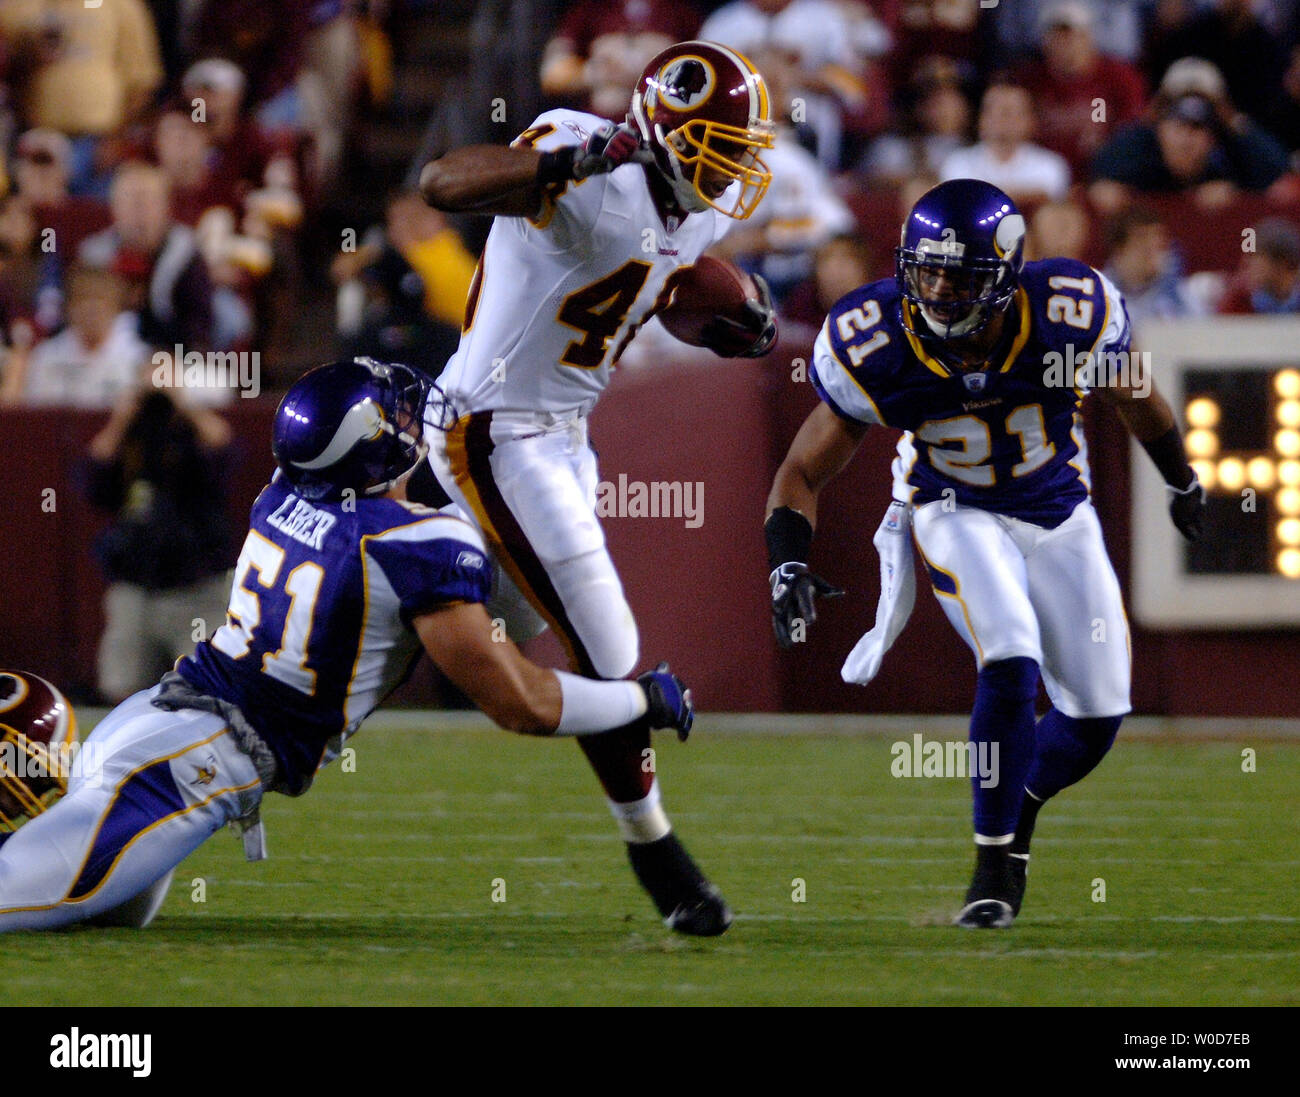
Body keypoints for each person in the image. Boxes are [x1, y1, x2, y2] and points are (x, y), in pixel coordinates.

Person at [0, 358, 706, 933]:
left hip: (162, 715)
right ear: (370, 448)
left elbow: (372, 515)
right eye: (392, 416)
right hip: (196, 758)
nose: (407, 421)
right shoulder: (415, 548)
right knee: (23, 896)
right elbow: (518, 700)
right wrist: (636, 697)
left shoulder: (280, 493)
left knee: (113, 918)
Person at [763, 179, 1206, 928]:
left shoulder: (1070, 313)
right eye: (926, 270)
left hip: (1059, 513)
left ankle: (1020, 805)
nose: (937, 289)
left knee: (1097, 714)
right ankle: (993, 867)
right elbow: (802, 470)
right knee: (1009, 657)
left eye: (959, 275)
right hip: (952, 507)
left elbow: (1136, 395)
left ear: (1003, 274)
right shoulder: (879, 338)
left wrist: (1182, 477)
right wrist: (785, 561)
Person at [418, 40, 777, 926]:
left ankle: (302, 661)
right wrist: (568, 164)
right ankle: (658, 853)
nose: (736, 171)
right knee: (612, 650)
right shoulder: (584, 156)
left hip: (566, 435)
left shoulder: (693, 216)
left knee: (416, 636)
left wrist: (729, 320)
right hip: (492, 426)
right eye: (723, 148)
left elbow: (642, 290)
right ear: (665, 132)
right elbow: (441, 184)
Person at [938, 81, 1071, 206]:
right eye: (993, 110)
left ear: (1031, 120)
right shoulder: (958, 162)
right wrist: (1027, 195)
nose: (1000, 118)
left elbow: (1049, 210)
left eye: (1009, 111)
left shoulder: (1050, 165)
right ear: (981, 117)